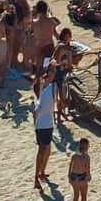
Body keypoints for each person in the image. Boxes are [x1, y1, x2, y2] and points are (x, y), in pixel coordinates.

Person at [33, 64, 57, 192]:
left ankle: (42, 172)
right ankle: (36, 177)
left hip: (47, 122)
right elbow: (37, 107)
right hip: (42, 124)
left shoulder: (50, 86)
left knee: (47, 149)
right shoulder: (40, 86)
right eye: (53, 72)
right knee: (42, 151)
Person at [68, 137, 91, 201]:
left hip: (74, 177)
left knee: (76, 196)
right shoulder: (87, 157)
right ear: (86, 147)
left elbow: (71, 166)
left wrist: (69, 176)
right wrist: (89, 176)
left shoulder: (74, 156)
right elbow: (87, 168)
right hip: (82, 177)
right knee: (83, 196)